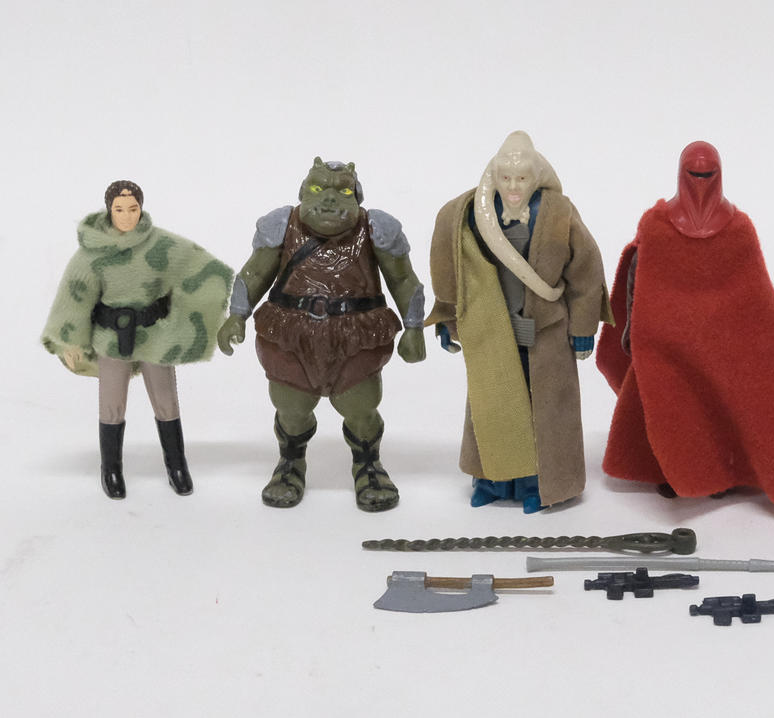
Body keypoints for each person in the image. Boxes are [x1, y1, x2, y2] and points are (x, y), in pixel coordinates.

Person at [597, 141, 774, 508]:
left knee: (721, 407)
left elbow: (755, 293)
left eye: (708, 175)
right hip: (665, 340)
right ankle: (671, 472)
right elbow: (639, 275)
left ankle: (722, 473)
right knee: (668, 410)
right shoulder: (656, 225)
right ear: (681, 174)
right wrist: (631, 326)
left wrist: (762, 346)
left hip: (725, 343)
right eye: (694, 174)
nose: (700, 183)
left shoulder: (738, 228)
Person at [217, 158, 426, 511]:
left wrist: (414, 326)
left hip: (355, 335)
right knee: (291, 406)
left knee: (360, 407)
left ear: (357, 197)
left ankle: (368, 466)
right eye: (318, 188)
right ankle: (290, 463)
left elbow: (403, 278)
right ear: (303, 192)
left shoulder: (375, 228)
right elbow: (254, 273)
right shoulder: (282, 225)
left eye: (342, 191)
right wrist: (237, 314)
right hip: (290, 333)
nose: (329, 199)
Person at [427, 131, 609, 512]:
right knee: (492, 407)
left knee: (545, 413)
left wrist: (582, 329)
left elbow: (586, 269)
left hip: (545, 333)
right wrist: (448, 318)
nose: (513, 187)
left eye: (522, 178)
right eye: (506, 178)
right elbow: (454, 267)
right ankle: (491, 480)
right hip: (492, 329)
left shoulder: (559, 212)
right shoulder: (472, 213)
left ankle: (537, 484)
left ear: (535, 177)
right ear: (494, 175)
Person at [42, 180, 232, 499]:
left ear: (141, 208)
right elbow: (74, 296)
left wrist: (204, 309)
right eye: (119, 209)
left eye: (133, 209)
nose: (127, 216)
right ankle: (111, 469)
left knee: (166, 401)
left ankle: (177, 465)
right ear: (109, 210)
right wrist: (69, 340)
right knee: (111, 405)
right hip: (111, 339)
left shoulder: (159, 244)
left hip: (155, 336)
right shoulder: (94, 250)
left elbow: (199, 266)